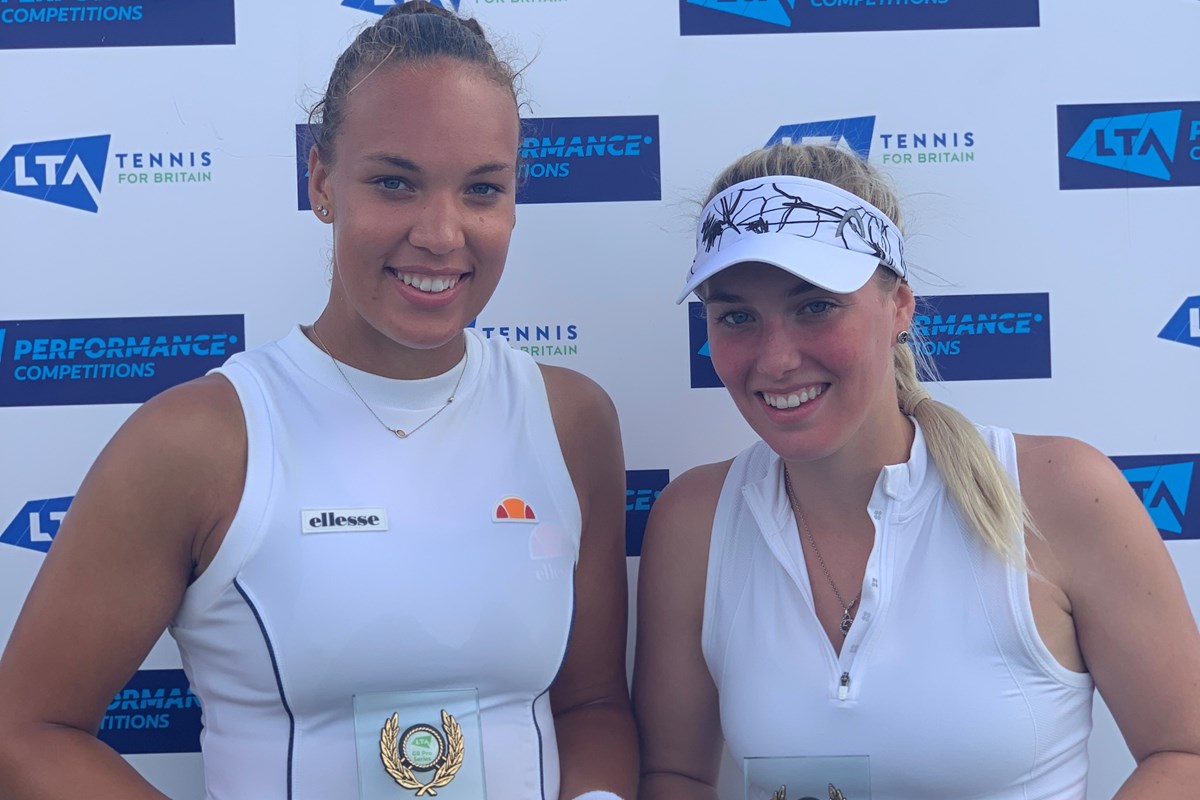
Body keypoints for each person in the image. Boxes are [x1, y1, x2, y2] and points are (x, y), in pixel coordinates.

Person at [0, 5, 637, 799]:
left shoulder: (571, 421)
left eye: (482, 188)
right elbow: (26, 730)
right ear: (322, 181)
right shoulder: (202, 442)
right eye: (395, 182)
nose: (441, 233)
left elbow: (594, 705)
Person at [633, 142, 1200, 799]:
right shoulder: (695, 521)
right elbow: (674, 775)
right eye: (737, 316)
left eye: (815, 305)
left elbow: (1184, 750)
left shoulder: (1061, 491)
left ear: (898, 305)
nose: (777, 358)